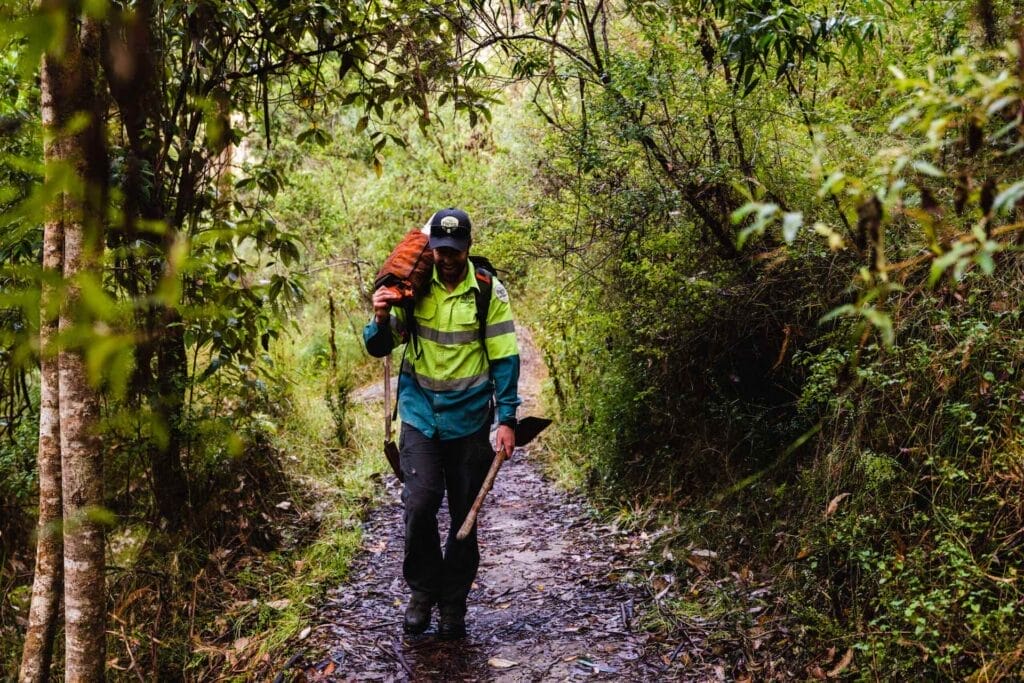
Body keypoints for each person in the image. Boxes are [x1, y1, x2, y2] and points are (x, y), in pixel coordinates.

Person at [363, 207, 521, 639]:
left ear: (467, 247)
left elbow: (506, 358)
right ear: (431, 248)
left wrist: (507, 419)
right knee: (419, 505)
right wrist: (379, 316)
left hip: (469, 421)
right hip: (420, 417)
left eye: (454, 250)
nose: (447, 258)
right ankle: (422, 592)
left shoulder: (488, 291)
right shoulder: (411, 287)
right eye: (440, 250)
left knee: (464, 518)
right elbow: (379, 347)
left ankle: (453, 604)